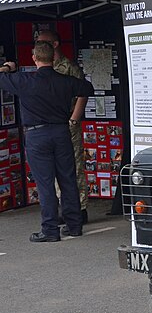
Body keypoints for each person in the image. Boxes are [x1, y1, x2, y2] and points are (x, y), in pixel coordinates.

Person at [0, 41, 93, 242]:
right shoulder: (65, 81)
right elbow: (88, 88)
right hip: (61, 132)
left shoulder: (25, 80)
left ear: (34, 59)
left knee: (45, 184)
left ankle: (50, 229)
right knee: (68, 179)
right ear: (53, 58)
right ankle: (74, 226)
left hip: (37, 135)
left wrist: (9, 68)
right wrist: (72, 117)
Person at [36, 30, 90, 224]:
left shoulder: (69, 67)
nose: (39, 45)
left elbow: (83, 93)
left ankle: (79, 208)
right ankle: (63, 207)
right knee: (57, 169)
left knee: (73, 166)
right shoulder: (45, 67)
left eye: (43, 42)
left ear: (55, 44)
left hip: (68, 122)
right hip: (53, 124)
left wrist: (73, 120)